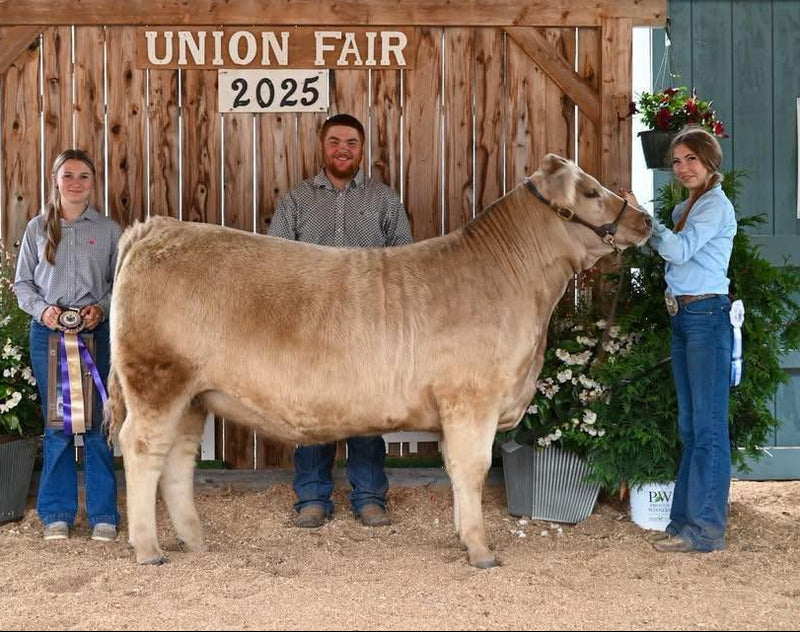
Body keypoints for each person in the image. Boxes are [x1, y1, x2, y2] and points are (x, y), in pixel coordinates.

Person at [268, 113, 413, 528]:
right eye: (335, 141)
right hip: (312, 327)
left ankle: (369, 497)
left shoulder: (384, 200)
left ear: (362, 148)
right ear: (322, 147)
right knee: (313, 413)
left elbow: (404, 261)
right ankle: (312, 497)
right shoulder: (296, 201)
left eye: (351, 141)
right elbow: (276, 263)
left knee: (367, 413)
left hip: (368, 326)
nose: (343, 149)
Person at [622, 126, 736, 553]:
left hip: (706, 316)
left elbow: (678, 251)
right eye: (676, 161)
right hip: (687, 316)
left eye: (691, 159)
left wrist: (643, 220)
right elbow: (668, 249)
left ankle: (705, 529)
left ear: (710, 161)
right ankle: (685, 523)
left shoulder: (712, 207)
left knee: (706, 428)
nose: (683, 168)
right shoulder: (688, 208)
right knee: (692, 426)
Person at [14, 149, 122, 541]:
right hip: (49, 336)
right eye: (68, 176)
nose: (76, 183)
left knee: (97, 425)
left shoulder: (109, 230)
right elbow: (22, 284)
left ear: (93, 183)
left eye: (84, 176)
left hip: (96, 334)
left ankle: (103, 515)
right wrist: (43, 312)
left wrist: (102, 308)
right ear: (55, 180)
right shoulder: (37, 228)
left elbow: (121, 283)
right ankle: (57, 513)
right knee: (57, 425)